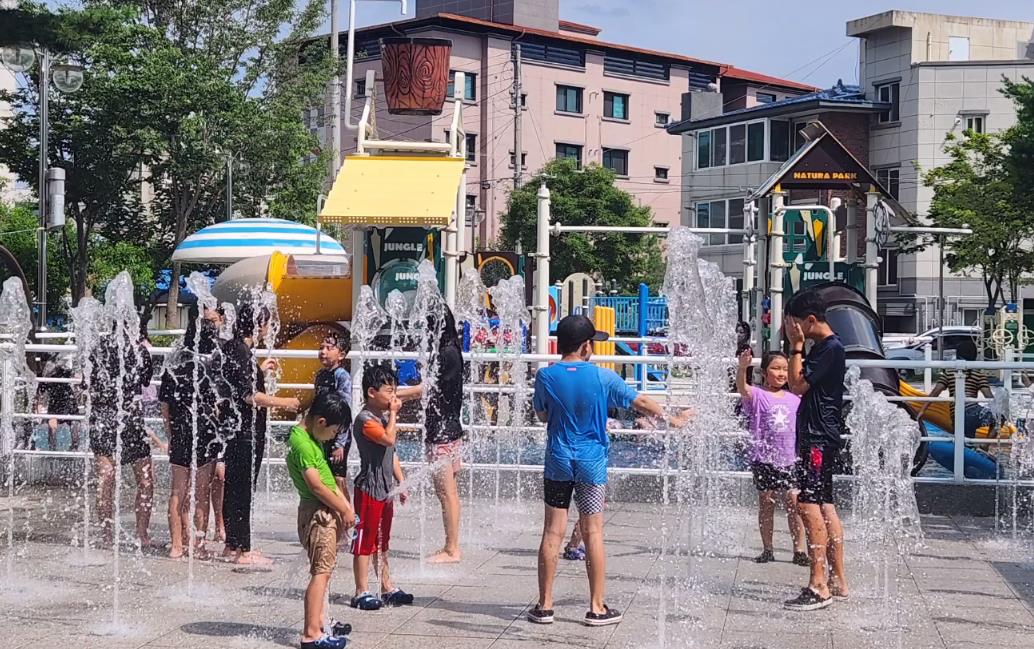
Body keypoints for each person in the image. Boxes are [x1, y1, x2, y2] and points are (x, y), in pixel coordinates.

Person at [528, 314, 689, 627]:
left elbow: (542, 415)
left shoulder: (546, 377)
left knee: (552, 532)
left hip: (558, 461)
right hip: (591, 464)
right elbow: (640, 400)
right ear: (587, 346)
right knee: (593, 532)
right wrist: (672, 418)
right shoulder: (604, 378)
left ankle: (545, 606)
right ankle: (596, 607)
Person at [217, 303, 301, 565]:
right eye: (266, 323)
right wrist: (285, 403)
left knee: (233, 487)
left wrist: (260, 370)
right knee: (243, 489)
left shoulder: (234, 348)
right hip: (246, 432)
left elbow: (237, 384)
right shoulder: (242, 352)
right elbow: (249, 396)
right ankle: (244, 550)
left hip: (235, 430)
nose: (267, 329)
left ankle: (231, 545)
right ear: (257, 325)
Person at [783, 289, 849, 611]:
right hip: (822, 436)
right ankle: (838, 580)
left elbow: (795, 385)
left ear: (810, 320)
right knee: (824, 504)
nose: (792, 329)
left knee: (808, 504)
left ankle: (818, 584)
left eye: (795, 324)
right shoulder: (831, 348)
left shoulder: (827, 349)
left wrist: (796, 347)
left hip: (817, 438)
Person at [287, 390, 357, 649]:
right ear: (321, 422)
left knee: (323, 571)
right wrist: (345, 509)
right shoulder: (304, 444)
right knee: (321, 573)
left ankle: (321, 621)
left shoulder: (306, 437)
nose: (333, 438)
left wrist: (343, 506)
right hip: (320, 514)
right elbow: (316, 485)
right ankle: (311, 634)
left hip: (324, 512)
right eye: (334, 432)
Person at [396, 306, 465, 564]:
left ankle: (452, 548)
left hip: (442, 433)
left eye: (426, 326)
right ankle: (452, 545)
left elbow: (428, 389)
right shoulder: (451, 350)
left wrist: (394, 393)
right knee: (450, 492)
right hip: (451, 428)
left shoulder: (445, 354)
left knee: (446, 492)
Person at [350, 364, 414, 611]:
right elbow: (388, 439)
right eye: (388, 391)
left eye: (395, 390)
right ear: (371, 393)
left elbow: (392, 453)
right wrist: (395, 415)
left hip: (385, 489)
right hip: (369, 489)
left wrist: (401, 481)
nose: (393, 396)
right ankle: (361, 590)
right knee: (365, 540)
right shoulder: (366, 420)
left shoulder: (383, 418)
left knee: (382, 540)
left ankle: (387, 587)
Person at [160, 304, 222, 559]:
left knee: (178, 491)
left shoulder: (174, 365)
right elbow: (220, 405)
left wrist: (171, 434)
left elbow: (164, 408)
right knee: (201, 493)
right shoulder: (214, 365)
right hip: (205, 432)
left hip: (181, 429)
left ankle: (177, 544)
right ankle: (198, 544)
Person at [736, 349, 808, 566]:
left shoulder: (795, 397)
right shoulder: (758, 395)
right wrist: (743, 367)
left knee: (794, 504)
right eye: (776, 368)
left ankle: (799, 550)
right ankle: (768, 548)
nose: (781, 373)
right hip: (764, 458)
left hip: (791, 458)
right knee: (766, 503)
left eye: (785, 369)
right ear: (764, 372)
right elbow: (742, 388)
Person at [87, 327, 156, 549]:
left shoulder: (97, 349)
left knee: (106, 478)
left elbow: (86, 384)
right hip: (129, 417)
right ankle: (141, 534)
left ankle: (108, 535)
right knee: (145, 480)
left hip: (104, 418)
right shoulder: (140, 351)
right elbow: (145, 382)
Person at [918, 339, 995, 438]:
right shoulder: (979, 375)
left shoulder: (949, 373)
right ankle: (985, 445)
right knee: (1000, 417)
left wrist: (922, 410)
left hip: (955, 416)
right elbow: (989, 397)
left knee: (963, 442)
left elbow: (935, 392)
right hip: (973, 413)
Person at [314, 332, 353, 498]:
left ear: (341, 355)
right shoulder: (321, 375)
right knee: (325, 474)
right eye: (321, 347)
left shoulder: (342, 376)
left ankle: (348, 513)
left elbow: (346, 409)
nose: (323, 351)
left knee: (338, 477)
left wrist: (340, 443)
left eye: (329, 348)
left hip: (337, 434)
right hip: (323, 433)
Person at [42, 354, 80, 451]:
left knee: (73, 420)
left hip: (60, 394)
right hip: (61, 394)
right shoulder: (55, 362)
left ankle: (70, 446)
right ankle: (69, 446)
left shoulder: (53, 363)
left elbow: (45, 380)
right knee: (71, 420)